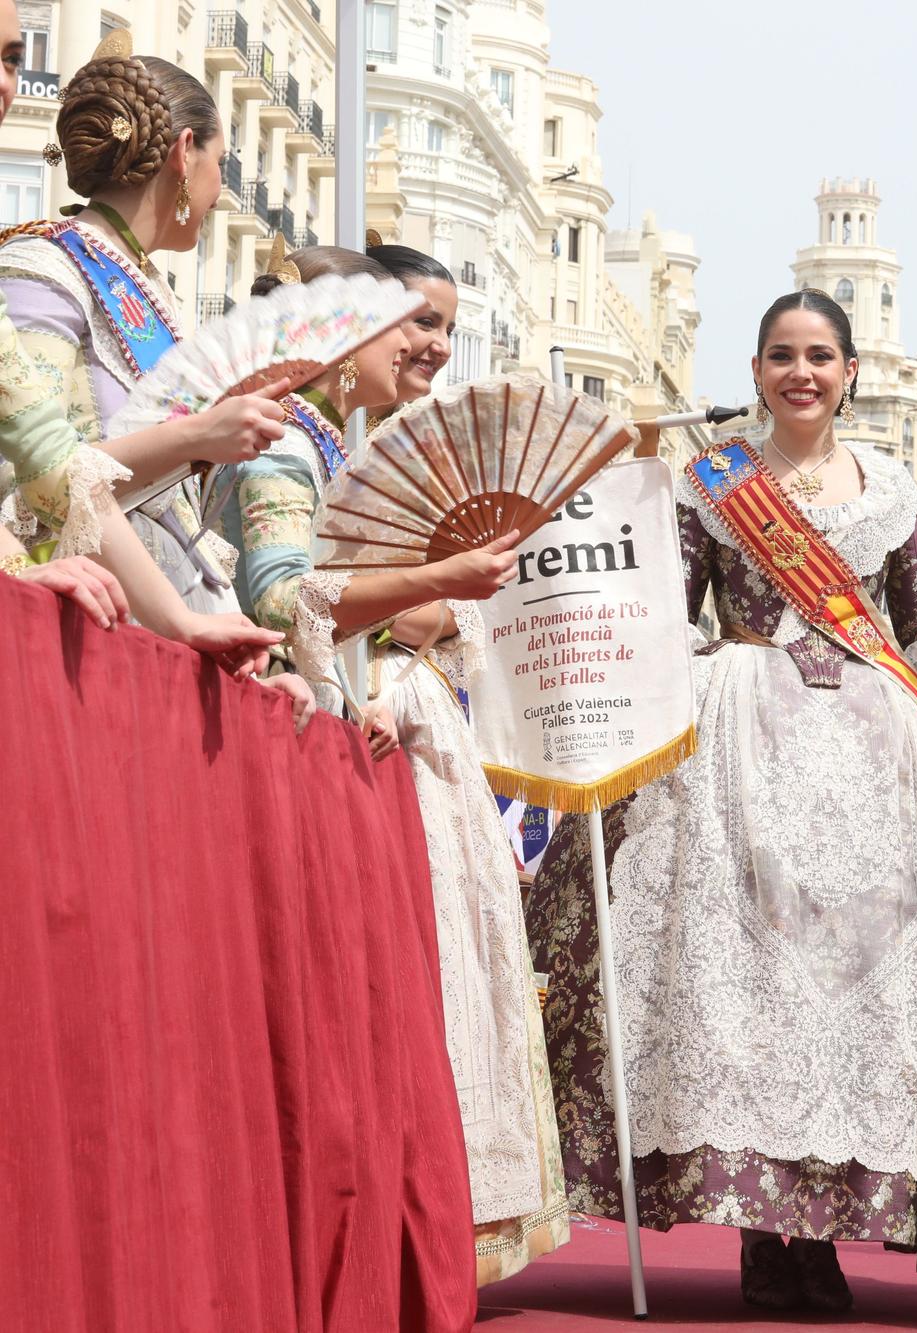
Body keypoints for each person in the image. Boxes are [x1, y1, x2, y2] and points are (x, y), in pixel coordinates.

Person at [527, 289, 917, 1314]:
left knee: (861, 991)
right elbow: (667, 619)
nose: (800, 372)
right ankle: (764, 1230)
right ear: (756, 370)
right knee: (748, 983)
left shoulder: (894, 490)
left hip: (871, 759)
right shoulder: (710, 481)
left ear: (851, 372)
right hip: (738, 739)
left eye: (819, 355)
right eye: (780, 356)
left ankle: (829, 1224)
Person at [355, 239, 570, 1284]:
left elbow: (462, 613)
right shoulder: (303, 432)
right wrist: (428, 604)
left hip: (428, 728)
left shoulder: (437, 457)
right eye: (416, 321)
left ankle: (446, 1220)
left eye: (445, 325)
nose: (436, 344)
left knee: (450, 965)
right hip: (356, 713)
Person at [0, 31, 289, 617]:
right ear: (185, 152)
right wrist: (198, 436)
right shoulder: (40, 265)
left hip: (161, 604)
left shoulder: (152, 287)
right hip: (86, 607)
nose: (222, 189)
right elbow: (25, 483)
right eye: (223, 161)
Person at [212, 243, 516, 736]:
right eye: (397, 326)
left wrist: (358, 703)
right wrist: (439, 580)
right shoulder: (284, 440)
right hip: (271, 715)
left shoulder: (316, 442)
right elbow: (282, 602)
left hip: (314, 712)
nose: (408, 346)